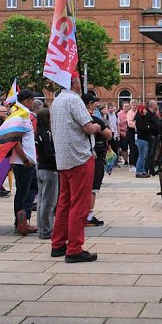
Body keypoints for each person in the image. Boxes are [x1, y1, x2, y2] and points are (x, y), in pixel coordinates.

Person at [50, 73, 101, 263]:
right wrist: (96, 126)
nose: (81, 84)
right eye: (80, 80)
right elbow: (87, 128)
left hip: (63, 159)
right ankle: (74, 248)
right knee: (80, 204)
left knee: (64, 202)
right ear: (74, 82)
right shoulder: (74, 100)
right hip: (79, 157)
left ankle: (58, 244)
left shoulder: (56, 101)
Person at [11, 90, 39, 236]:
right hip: (23, 162)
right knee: (23, 192)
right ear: (28, 100)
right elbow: (15, 140)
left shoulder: (20, 113)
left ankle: (23, 217)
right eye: (32, 100)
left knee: (32, 188)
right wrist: (25, 160)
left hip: (25, 162)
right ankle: (20, 222)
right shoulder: (21, 115)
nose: (33, 103)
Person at [83, 93, 111, 228]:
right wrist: (98, 130)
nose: (95, 105)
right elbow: (109, 134)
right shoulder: (94, 120)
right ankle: (88, 216)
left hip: (77, 157)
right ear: (89, 104)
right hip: (95, 156)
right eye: (93, 103)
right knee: (92, 188)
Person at [35, 107, 59, 240]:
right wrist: (58, 163)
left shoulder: (38, 132)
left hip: (40, 168)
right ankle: (46, 230)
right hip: (50, 169)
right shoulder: (48, 134)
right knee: (49, 202)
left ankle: (42, 227)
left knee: (41, 200)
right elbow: (50, 153)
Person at [133, 103, 153, 178]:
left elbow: (148, 126)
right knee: (141, 155)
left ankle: (143, 170)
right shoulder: (139, 118)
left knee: (144, 156)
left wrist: (149, 127)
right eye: (144, 110)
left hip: (145, 139)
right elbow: (144, 128)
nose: (146, 111)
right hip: (142, 139)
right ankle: (139, 171)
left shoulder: (143, 117)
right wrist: (148, 127)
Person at [117, 102, 130, 167]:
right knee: (124, 148)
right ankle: (126, 161)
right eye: (125, 106)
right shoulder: (119, 114)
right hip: (122, 133)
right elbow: (118, 124)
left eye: (128, 106)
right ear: (122, 107)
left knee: (132, 148)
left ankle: (132, 160)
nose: (126, 108)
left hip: (130, 133)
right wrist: (119, 134)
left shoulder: (130, 113)